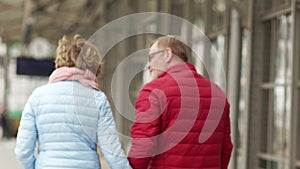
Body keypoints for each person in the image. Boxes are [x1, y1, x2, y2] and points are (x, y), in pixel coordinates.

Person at [15, 35, 132, 169]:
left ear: (59, 60)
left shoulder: (37, 97)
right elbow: (112, 153)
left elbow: (22, 150)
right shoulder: (98, 99)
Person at [128, 35, 233, 169]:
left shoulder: (153, 91)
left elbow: (143, 146)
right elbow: (225, 148)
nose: (148, 66)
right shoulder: (217, 93)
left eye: (151, 58)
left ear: (167, 54)